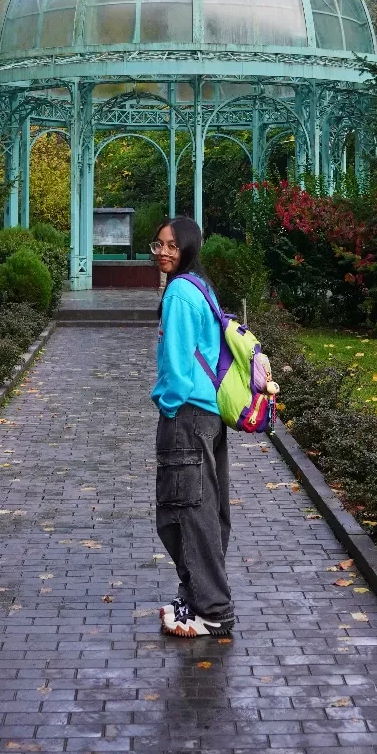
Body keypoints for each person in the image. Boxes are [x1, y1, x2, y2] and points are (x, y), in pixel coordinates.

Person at [150, 215, 234, 637]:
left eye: (172, 246)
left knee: (185, 513)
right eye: (158, 245)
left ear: (188, 249)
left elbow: (179, 369)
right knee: (201, 510)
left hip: (186, 413)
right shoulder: (200, 286)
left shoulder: (180, 293)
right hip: (208, 414)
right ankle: (196, 601)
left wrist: (165, 404)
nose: (163, 253)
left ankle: (213, 611)